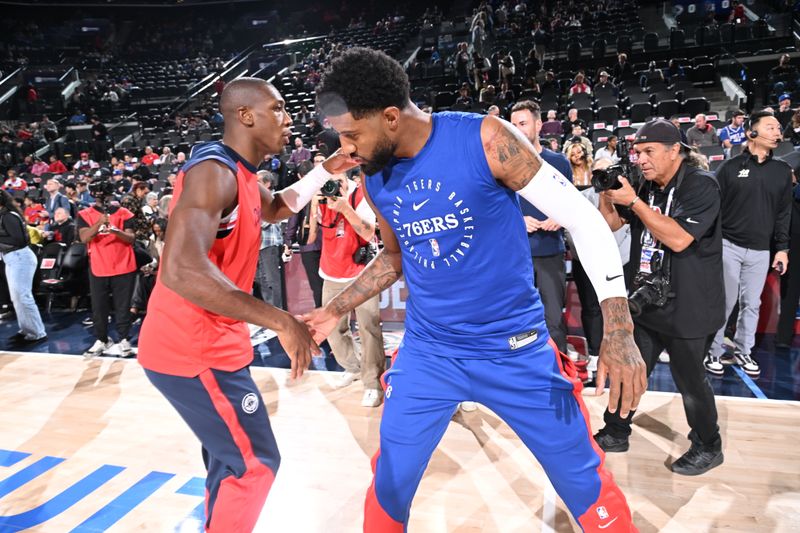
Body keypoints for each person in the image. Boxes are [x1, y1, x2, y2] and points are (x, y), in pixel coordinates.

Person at [307, 46, 645, 532]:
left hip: (515, 348)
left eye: (352, 134)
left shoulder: (485, 138)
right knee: (390, 482)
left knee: (581, 479)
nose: (345, 149)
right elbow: (395, 256)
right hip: (430, 352)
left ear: (389, 117)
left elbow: (585, 220)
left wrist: (618, 326)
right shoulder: (374, 174)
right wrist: (333, 310)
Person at [136, 77, 356, 532]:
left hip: (209, 342)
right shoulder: (212, 172)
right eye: (277, 109)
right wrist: (281, 321)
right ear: (245, 116)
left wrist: (326, 170)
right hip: (191, 347)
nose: (289, 118)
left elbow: (277, 206)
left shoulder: (241, 175)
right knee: (253, 464)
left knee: (228, 461)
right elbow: (180, 270)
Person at [595, 119, 725, 475]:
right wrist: (609, 195)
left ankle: (708, 445)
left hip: (690, 304)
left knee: (689, 380)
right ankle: (616, 430)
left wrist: (634, 201)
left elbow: (679, 239)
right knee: (630, 369)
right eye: (638, 153)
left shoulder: (702, 186)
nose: (641, 160)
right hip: (648, 298)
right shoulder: (643, 184)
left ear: (675, 151)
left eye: (649, 152)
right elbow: (611, 224)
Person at [705, 111, 792, 378]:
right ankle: (713, 350)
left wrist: (782, 248)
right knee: (726, 302)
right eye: (770, 127)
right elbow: (713, 205)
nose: (778, 132)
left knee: (751, 304)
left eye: (778, 128)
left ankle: (744, 350)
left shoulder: (782, 171)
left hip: (761, 250)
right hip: (729, 245)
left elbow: (783, 212)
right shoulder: (730, 167)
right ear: (751, 132)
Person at [309, 167, 385, 407]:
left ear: (347, 180)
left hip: (362, 273)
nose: (332, 186)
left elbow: (368, 231)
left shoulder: (360, 195)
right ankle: (353, 366)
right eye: (327, 181)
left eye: (337, 181)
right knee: (331, 327)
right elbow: (313, 234)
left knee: (368, 327)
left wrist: (344, 208)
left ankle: (372, 383)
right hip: (332, 271)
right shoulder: (320, 197)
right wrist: (314, 207)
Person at [510, 100, 571, 353]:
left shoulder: (559, 163)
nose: (517, 129)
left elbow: (573, 206)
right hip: (515, 256)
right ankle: (519, 377)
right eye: (512, 125)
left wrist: (562, 216)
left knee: (554, 321)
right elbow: (495, 211)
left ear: (538, 124)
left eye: (522, 123)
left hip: (550, 253)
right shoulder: (503, 165)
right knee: (516, 324)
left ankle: (559, 376)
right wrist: (519, 221)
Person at [77, 179, 137, 358]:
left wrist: (114, 230)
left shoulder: (125, 213)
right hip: (98, 266)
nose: (101, 199)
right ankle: (102, 339)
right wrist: (98, 224)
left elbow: (131, 238)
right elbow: (84, 238)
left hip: (124, 265)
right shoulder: (84, 214)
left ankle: (124, 339)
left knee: (122, 306)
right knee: (99, 307)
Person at [0, 190, 47, 346]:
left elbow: (19, 240)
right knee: (17, 297)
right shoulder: (4, 215)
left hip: (20, 257)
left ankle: (37, 332)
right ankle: (27, 329)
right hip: (13, 258)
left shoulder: (8, 216)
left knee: (23, 296)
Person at [285, 159, 324, 307]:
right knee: (331, 283)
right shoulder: (325, 187)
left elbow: (293, 220)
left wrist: (288, 242)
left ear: (300, 176)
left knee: (316, 285)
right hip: (328, 242)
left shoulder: (299, 192)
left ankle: (322, 317)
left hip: (309, 244)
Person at [255, 170, 287, 308]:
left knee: (272, 280)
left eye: (258, 182)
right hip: (258, 245)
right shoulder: (255, 200)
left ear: (267, 183)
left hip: (269, 244)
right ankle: (269, 310)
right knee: (261, 279)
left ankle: (278, 312)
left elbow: (267, 220)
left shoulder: (273, 198)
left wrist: (251, 220)